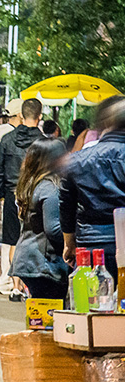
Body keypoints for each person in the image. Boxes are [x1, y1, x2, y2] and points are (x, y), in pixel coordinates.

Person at [59, 96, 125, 289]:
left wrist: (69, 242)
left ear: (104, 122)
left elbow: (66, 204)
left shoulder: (77, 160)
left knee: (91, 308)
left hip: (91, 245)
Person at [0, 98, 43, 299]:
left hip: (12, 194)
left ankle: (15, 286)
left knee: (13, 241)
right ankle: (30, 285)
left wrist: (2, 193)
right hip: (36, 194)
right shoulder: (43, 142)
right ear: (39, 117)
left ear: (21, 116)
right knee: (34, 240)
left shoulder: (7, 139)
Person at [10, 139, 70, 300]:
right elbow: (53, 229)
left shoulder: (32, 183)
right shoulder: (50, 188)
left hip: (30, 259)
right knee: (50, 315)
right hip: (43, 264)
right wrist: (75, 235)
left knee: (40, 315)